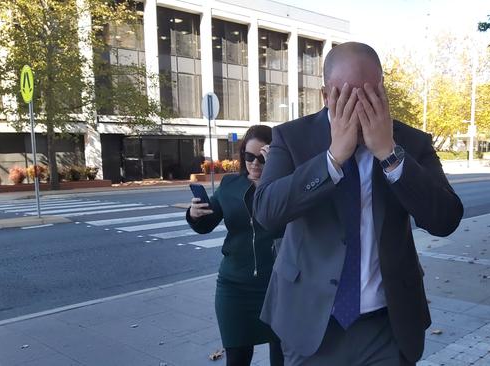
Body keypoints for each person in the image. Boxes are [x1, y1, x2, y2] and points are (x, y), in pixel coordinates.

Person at [253, 42, 464, 366]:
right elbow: (267, 211)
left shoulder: (411, 142)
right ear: (326, 96)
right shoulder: (292, 138)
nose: (359, 106)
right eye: (347, 96)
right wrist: (332, 159)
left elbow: (445, 219)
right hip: (310, 324)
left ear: (382, 90)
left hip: (387, 325)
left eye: (369, 95)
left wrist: (389, 154)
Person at [187, 125, 284, 366]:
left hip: (277, 287)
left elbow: (288, 225)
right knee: (237, 359)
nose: (254, 164)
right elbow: (206, 224)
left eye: (261, 158)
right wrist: (194, 214)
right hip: (234, 287)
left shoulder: (284, 186)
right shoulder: (230, 185)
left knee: (281, 358)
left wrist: (271, 177)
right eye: (248, 157)